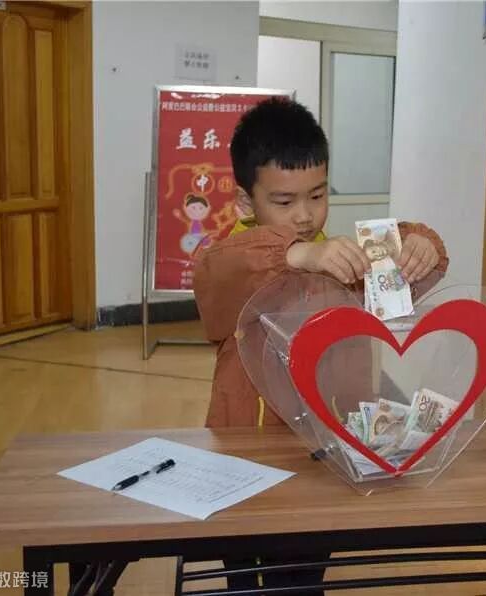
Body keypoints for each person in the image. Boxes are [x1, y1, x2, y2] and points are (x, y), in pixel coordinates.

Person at [192, 97, 449, 593]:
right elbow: (218, 270)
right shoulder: (230, 259)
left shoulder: (341, 260)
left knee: (303, 576)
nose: (305, 216)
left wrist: (421, 245)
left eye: (317, 195)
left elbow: (409, 261)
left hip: (321, 452)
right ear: (245, 202)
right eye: (283, 202)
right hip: (242, 448)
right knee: (242, 576)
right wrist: (297, 255)